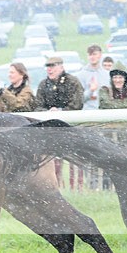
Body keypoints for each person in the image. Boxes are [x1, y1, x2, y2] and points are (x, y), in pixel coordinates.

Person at [35, 56, 84, 189]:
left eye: (53, 66)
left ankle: (77, 188)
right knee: (51, 160)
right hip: (50, 129)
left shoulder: (73, 82)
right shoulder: (43, 84)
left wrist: (61, 111)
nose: (49, 69)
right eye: (48, 67)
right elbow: (37, 106)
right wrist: (48, 112)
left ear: (61, 67)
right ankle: (55, 185)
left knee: (75, 159)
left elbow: (77, 104)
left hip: (70, 127)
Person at [75, 44, 109, 110]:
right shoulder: (80, 75)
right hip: (88, 112)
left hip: (105, 112)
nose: (92, 57)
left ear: (100, 55)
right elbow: (77, 100)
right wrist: (91, 90)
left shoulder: (107, 75)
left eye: (94, 54)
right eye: (90, 55)